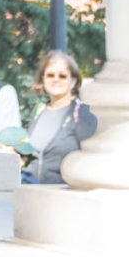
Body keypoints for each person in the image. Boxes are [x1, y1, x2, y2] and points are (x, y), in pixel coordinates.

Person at [22, 47, 98, 186]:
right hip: (33, 190)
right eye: (50, 75)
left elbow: (92, 159)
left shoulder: (82, 114)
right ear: (43, 79)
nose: (56, 80)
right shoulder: (39, 110)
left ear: (73, 81)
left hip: (64, 192)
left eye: (62, 76)